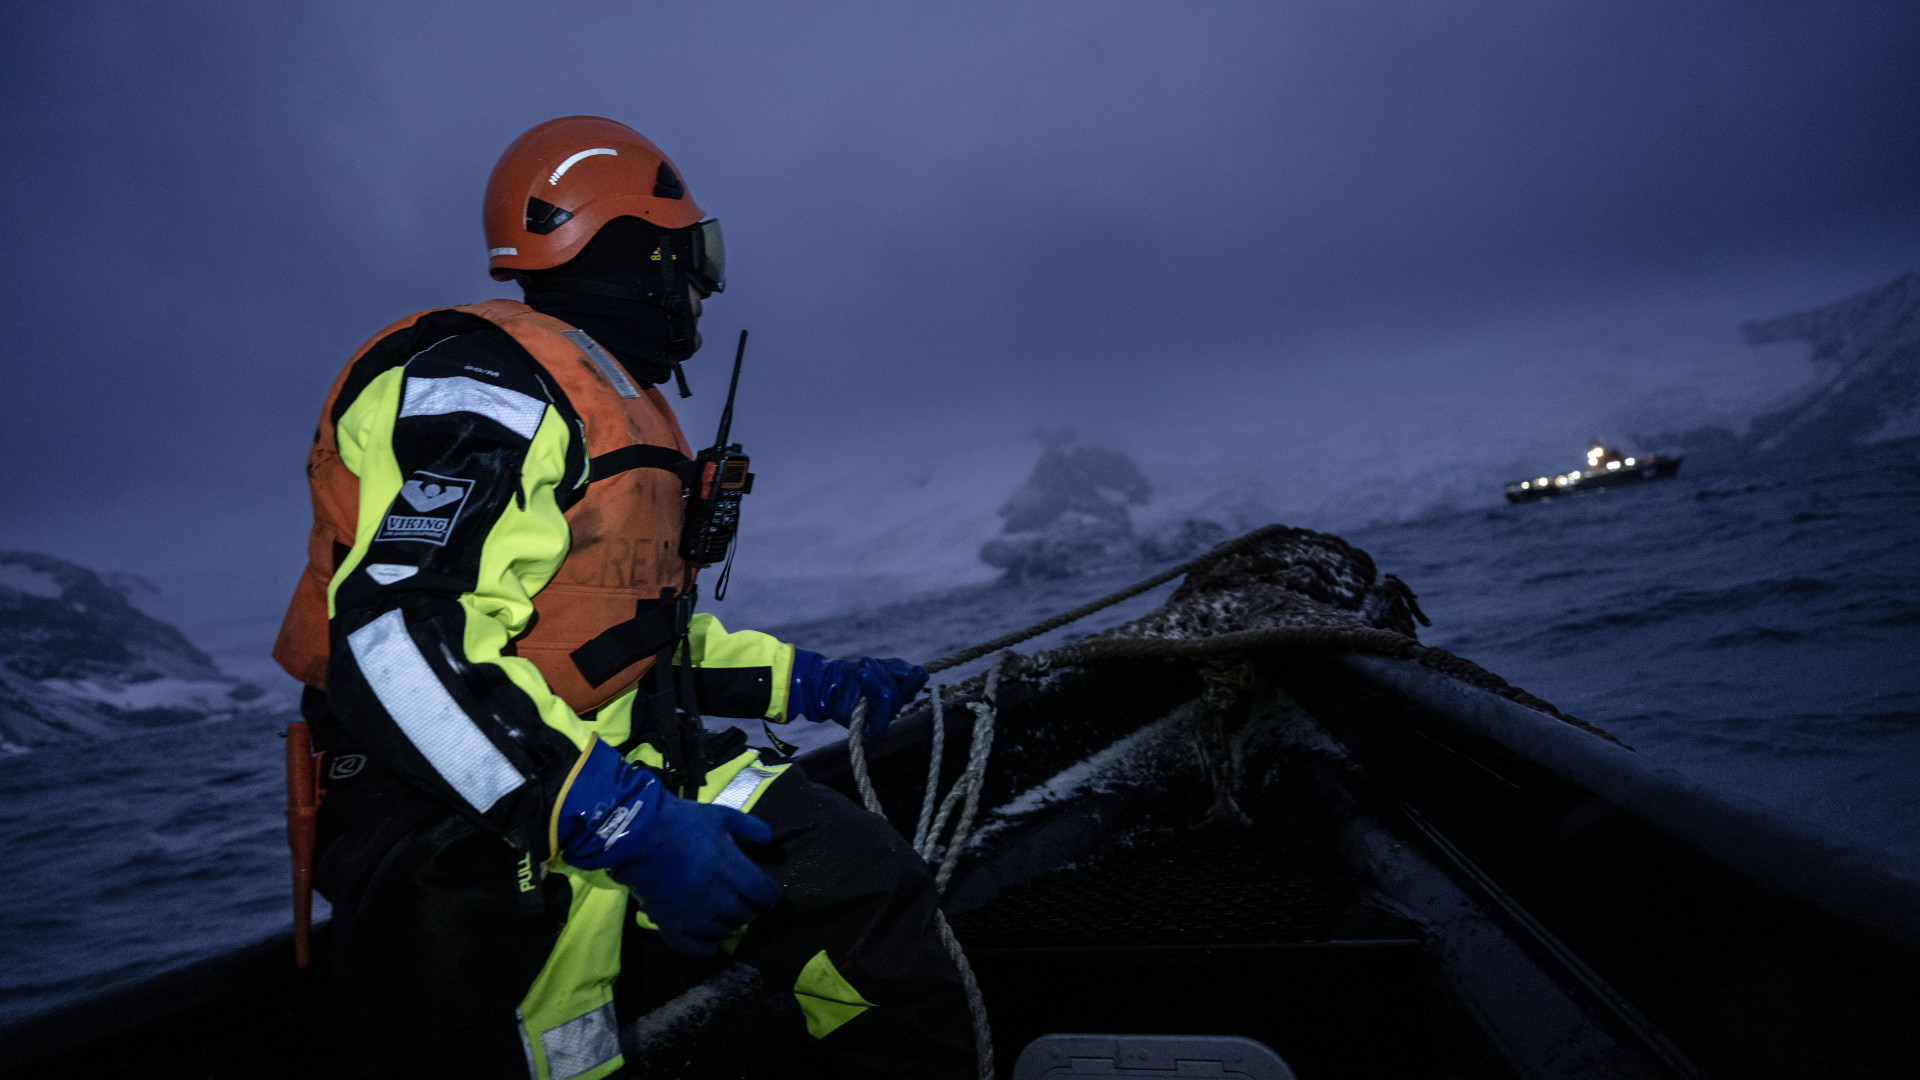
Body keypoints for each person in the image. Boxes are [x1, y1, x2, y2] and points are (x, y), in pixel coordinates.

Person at [272, 115, 973, 1080]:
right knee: (557, 1058)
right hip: (471, 807)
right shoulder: (478, 385)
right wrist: (618, 824)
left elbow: (627, 634)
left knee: (868, 900)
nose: (703, 289)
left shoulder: (609, 401)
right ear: (632, 248)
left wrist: (814, 683)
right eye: (694, 258)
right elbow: (393, 638)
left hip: (629, 761)